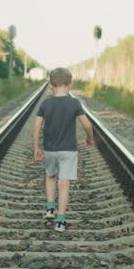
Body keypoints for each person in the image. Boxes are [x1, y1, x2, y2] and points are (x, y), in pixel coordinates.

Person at [32, 67, 94, 232]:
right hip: (68, 150)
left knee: (50, 176)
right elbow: (87, 124)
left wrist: (36, 147)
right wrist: (90, 138)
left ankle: (50, 207)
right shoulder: (74, 103)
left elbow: (37, 125)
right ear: (70, 85)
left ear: (50, 85)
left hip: (50, 149)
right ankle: (60, 221)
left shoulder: (45, 103)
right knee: (64, 184)